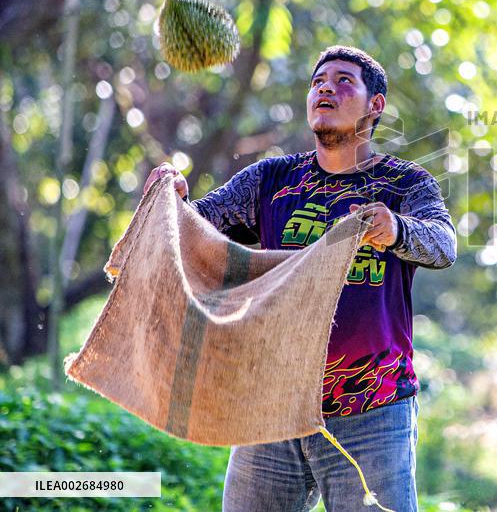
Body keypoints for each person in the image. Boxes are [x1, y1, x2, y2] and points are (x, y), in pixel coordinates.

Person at [143, 45, 457, 512]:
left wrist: (396, 229)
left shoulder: (404, 184)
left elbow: (443, 244)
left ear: (376, 105)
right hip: (271, 409)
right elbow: (192, 233)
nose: (326, 87)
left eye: (344, 80)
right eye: (318, 81)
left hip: (373, 411)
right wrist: (171, 200)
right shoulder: (270, 181)